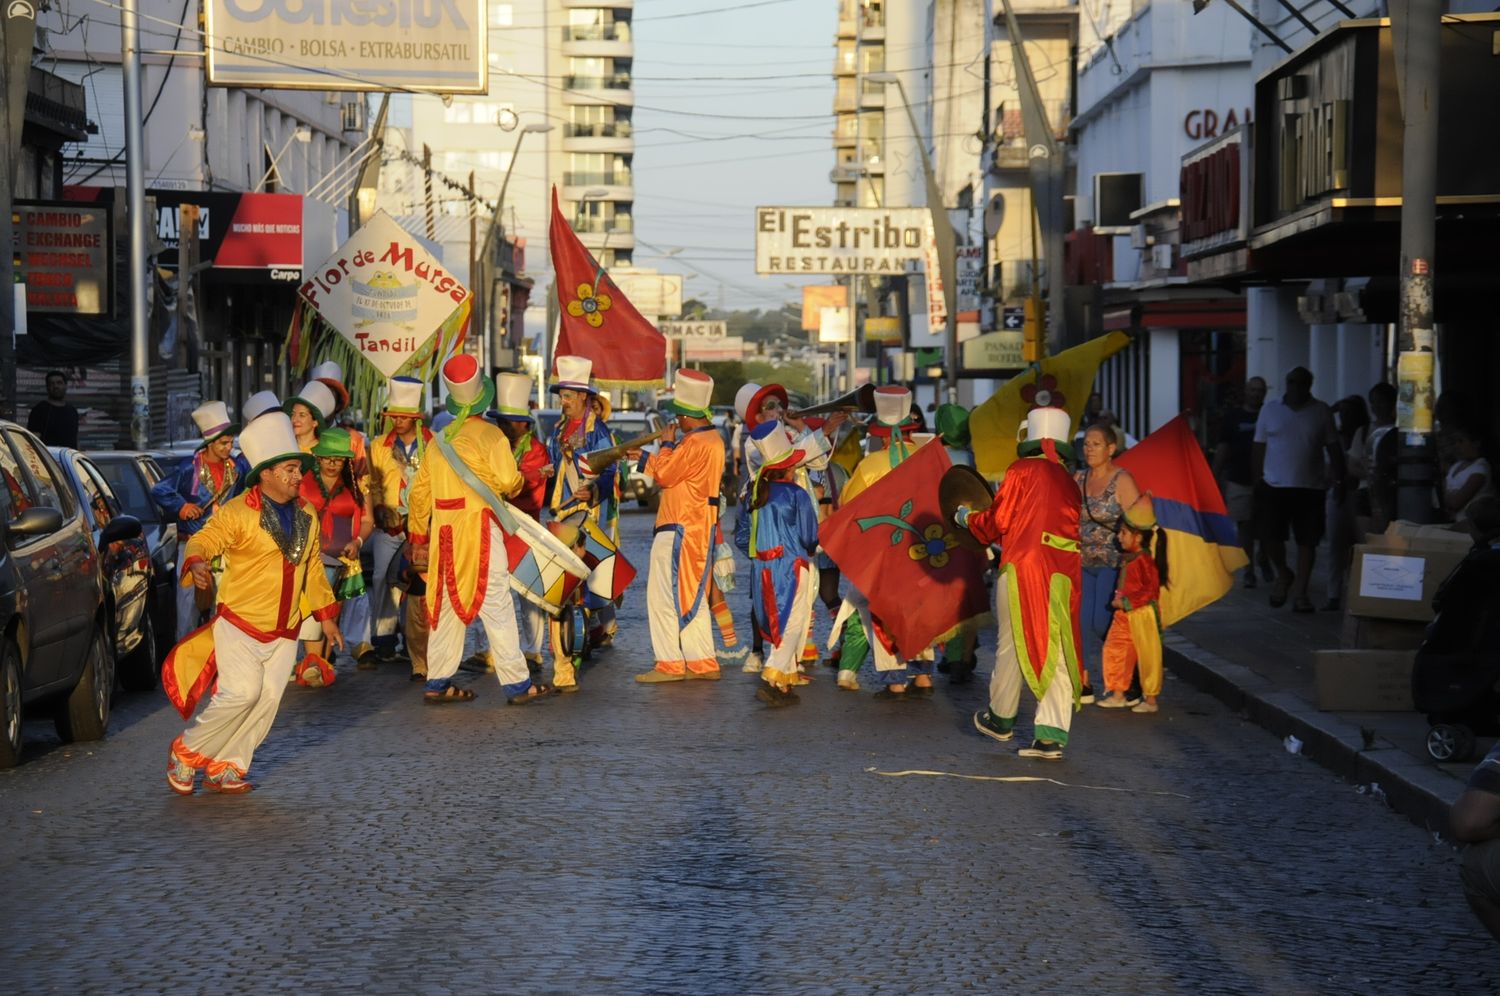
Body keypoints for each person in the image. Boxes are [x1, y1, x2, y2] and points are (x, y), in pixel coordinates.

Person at [165, 412, 342, 795]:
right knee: (241, 694)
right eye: (291, 469)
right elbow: (204, 540)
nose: (299, 476)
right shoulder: (236, 512)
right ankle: (186, 752)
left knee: (267, 701)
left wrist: (326, 617)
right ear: (266, 473)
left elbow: (312, 567)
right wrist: (195, 562)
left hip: (285, 628)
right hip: (240, 623)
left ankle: (228, 764)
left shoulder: (307, 513)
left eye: (299, 469)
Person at [408, 355, 545, 705]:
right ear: (484, 400)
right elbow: (507, 481)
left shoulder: (438, 441)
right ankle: (518, 684)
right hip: (479, 529)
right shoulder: (491, 436)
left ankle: (437, 681)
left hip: (444, 534)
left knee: (446, 605)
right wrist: (516, 482)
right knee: (497, 604)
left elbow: (418, 495)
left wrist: (419, 537)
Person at [955, 406, 1084, 761]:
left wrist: (966, 517)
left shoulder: (1022, 470)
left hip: (1025, 567)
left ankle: (1000, 718)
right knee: (1056, 645)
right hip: (1064, 570)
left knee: (1010, 643)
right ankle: (1051, 734)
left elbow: (997, 521)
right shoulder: (1070, 482)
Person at [830, 386, 935, 698]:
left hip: (885, 551)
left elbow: (847, 505)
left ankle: (896, 679)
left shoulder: (871, 465)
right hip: (924, 548)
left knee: (886, 613)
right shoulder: (927, 458)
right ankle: (924, 677)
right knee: (919, 612)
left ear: (881, 434)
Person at [632, 369, 725, 684]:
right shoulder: (714, 440)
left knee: (663, 596)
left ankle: (670, 663)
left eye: (678, 417)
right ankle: (702, 660)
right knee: (692, 595)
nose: (676, 423)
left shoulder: (693, 442)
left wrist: (663, 447)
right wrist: (649, 456)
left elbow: (666, 476)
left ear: (687, 416)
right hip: (699, 527)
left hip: (678, 527)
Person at [735, 421, 818, 707]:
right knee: (793, 622)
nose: (797, 470)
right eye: (794, 466)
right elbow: (809, 536)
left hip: (762, 567)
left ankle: (785, 684)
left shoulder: (753, 494)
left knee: (774, 620)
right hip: (792, 565)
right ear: (787, 469)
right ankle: (772, 676)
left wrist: (760, 554)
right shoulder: (797, 494)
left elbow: (742, 536)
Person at [1253, 366, 1345, 613]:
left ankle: (1301, 593)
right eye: (1291, 382)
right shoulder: (1270, 410)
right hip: (1274, 485)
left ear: (1309, 385)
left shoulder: (1321, 411)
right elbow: (1259, 446)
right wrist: (1258, 479)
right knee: (1271, 537)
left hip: (1310, 487)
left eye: (1301, 383)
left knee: (1308, 541)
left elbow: (1333, 447)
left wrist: (1339, 479)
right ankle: (1284, 573)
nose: (1295, 387)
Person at [544, 355, 619, 652]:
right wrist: (549, 470)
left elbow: (610, 470)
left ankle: (587, 628)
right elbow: (556, 463)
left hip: (587, 509)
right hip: (563, 507)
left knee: (585, 565)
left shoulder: (596, 431)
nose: (564, 401)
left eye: (568, 396)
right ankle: (597, 625)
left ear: (584, 398)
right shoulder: (559, 429)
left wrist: (594, 489)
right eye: (562, 396)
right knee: (577, 567)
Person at [150, 401, 242, 641]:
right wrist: (182, 506)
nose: (228, 447)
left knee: (224, 604)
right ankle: (185, 659)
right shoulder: (188, 469)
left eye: (231, 442)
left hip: (226, 548)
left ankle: (219, 661)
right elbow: (159, 490)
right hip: (192, 546)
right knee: (187, 604)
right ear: (209, 443)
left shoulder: (237, 468)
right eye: (224, 443)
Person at [490, 372, 553, 684]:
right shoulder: (496, 446)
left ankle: (532, 650)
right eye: (502, 420)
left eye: (510, 421)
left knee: (530, 593)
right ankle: (489, 649)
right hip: (495, 525)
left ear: (524, 423)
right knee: (492, 589)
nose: (504, 426)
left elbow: (521, 486)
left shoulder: (537, 450)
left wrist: (511, 480)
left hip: (525, 527)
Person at [366, 377, 431, 675]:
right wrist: (381, 509)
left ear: (416, 418)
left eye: (405, 417)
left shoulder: (432, 444)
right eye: (394, 417)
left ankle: (414, 640)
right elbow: (374, 482)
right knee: (381, 578)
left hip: (421, 526)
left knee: (417, 583)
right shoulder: (379, 446)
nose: (399, 422)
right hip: (389, 524)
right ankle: (383, 638)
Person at [297, 428, 374, 677]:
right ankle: (312, 663)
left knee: (333, 613)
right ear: (318, 457)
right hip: (309, 558)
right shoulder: (301, 481)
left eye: (338, 458)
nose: (332, 463)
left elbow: (368, 521)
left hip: (342, 560)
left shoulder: (358, 485)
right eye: (328, 457)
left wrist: (358, 542)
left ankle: (323, 664)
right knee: (312, 611)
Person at [1075, 422, 1141, 704]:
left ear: (1111, 449)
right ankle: (1084, 681)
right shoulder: (1077, 478)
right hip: (1082, 561)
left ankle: (1131, 678)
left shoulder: (1122, 480)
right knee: (1079, 622)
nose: (1089, 449)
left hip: (1113, 563)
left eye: (1096, 444)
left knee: (1102, 624)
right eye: (1086, 444)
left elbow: (1138, 524)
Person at [1097, 496, 1169, 714]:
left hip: (1141, 614)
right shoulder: (1130, 558)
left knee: (1148, 656)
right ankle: (1118, 693)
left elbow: (1150, 591)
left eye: (1123, 533)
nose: (1119, 537)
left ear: (1137, 537)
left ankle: (1151, 699)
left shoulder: (1144, 562)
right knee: (1115, 649)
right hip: (1124, 614)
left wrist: (1126, 601)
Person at [934, 403, 980, 684]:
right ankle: (962, 656)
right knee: (969, 598)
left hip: (939, 536)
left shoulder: (932, 459)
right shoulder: (975, 458)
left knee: (947, 598)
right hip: (973, 533)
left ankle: (950, 655)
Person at [1213, 376, 1270, 588]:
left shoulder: (1270, 413)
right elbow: (1224, 447)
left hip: (1268, 479)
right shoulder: (1234, 417)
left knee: (1265, 526)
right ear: (1246, 391)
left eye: (1260, 390)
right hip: (1239, 477)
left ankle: (1264, 556)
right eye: (1253, 390)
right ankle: (1249, 568)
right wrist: (1215, 474)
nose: (1257, 394)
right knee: (1245, 525)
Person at [1325, 395, 1370, 610]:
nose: (1344, 416)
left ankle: (1355, 589)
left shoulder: (1365, 433)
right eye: (1342, 412)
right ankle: (1334, 593)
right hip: (1339, 492)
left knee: (1358, 542)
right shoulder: (1337, 434)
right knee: (1336, 544)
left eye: (1349, 412)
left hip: (1357, 492)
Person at [1442, 426, 1495, 529]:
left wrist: (1449, 496)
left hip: (1469, 526)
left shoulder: (1480, 468)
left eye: (1461, 441)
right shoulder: (1456, 465)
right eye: (1455, 442)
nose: (1457, 446)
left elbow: (1456, 503)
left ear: (1476, 443)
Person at [1363, 382, 1399, 534]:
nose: (1376, 406)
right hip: (1368, 491)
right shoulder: (1365, 430)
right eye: (1373, 402)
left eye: (1381, 401)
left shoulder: (1399, 432)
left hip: (1391, 493)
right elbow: (1353, 464)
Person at [284, 381, 339, 457]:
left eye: (302, 415)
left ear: (315, 422)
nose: (294, 419)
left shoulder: (324, 453)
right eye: (293, 414)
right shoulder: (283, 447)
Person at [28, 369, 80, 448]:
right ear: (47, 387)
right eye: (52, 383)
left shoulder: (72, 411)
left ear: (65, 386)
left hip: (68, 458)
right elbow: (33, 439)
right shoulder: (39, 410)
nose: (56, 386)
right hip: (48, 458)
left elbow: (75, 439)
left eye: (59, 383)